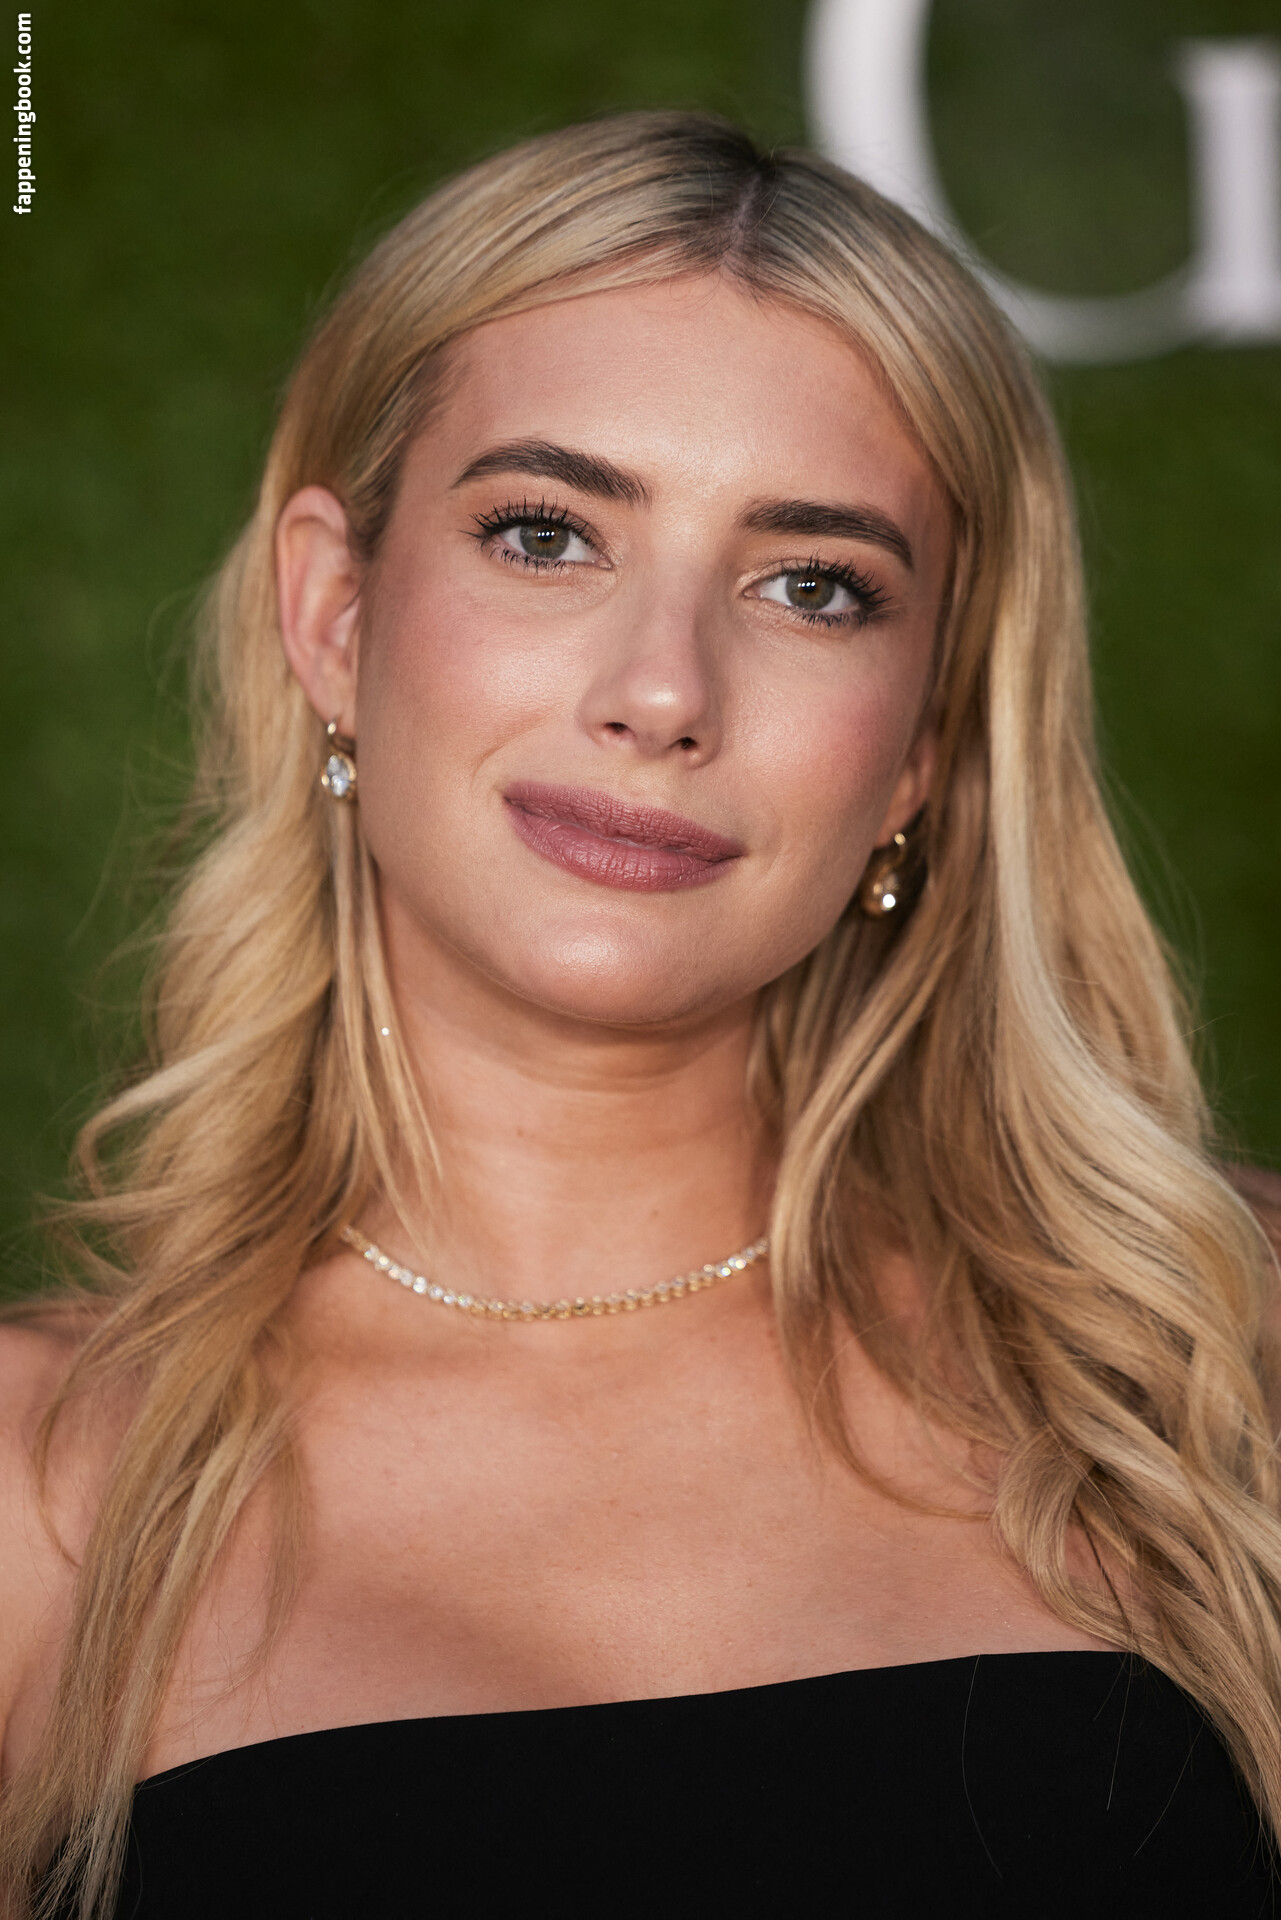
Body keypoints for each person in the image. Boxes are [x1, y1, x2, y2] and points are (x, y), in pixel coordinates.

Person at [1, 111, 1279, 1919]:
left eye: (813, 586)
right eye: (547, 534)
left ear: (923, 742)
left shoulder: (1218, 1367)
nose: (664, 689)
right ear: (334, 611)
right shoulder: (38, 1495)